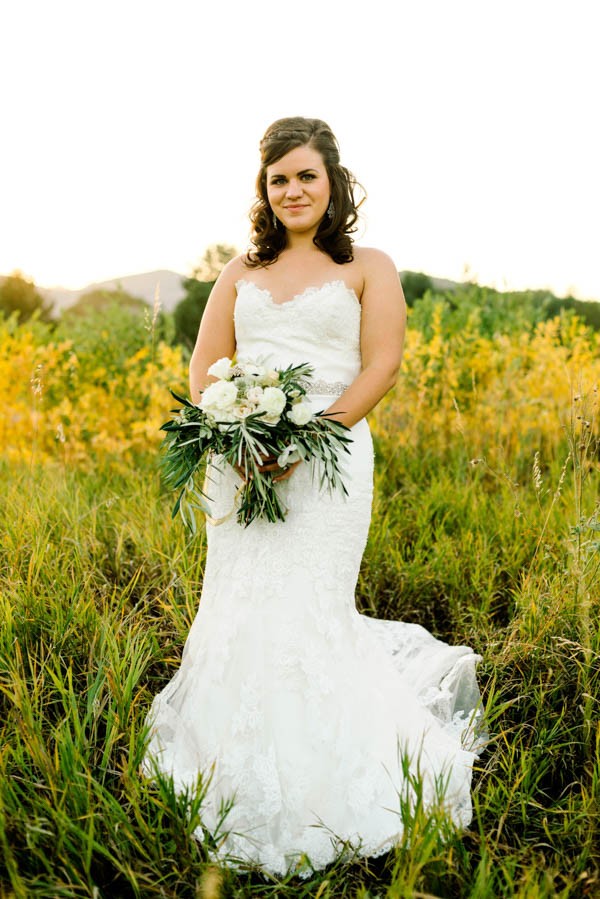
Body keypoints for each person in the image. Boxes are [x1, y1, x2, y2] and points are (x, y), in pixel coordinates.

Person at [143, 116, 483, 878]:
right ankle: (232, 758)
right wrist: (236, 433)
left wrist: (304, 439)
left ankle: (327, 768)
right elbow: (205, 368)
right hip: (240, 461)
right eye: (277, 179)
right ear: (263, 191)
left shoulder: (370, 264)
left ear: (333, 183)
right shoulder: (240, 270)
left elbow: (382, 365)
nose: (292, 190)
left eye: (305, 175)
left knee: (308, 606)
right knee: (240, 603)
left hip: (330, 458)